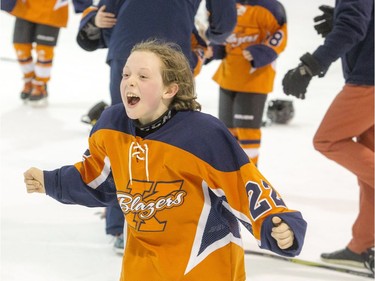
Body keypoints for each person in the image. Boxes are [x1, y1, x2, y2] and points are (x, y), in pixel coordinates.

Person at [24, 39, 307, 281]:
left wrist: (276, 221)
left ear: (170, 90)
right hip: (141, 267)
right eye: (126, 74)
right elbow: (96, 178)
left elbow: (244, 186)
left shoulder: (202, 135)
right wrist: (53, 182)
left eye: (143, 76)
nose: (130, 81)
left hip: (203, 268)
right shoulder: (112, 125)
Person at [76, 0, 235, 253]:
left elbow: (101, 19)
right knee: (172, 134)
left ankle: (122, 221)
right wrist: (212, 35)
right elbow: (224, 19)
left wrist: (93, 24)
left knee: (126, 135)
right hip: (172, 53)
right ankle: (159, 215)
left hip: (129, 49)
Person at [282, 0, 374, 271]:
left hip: (367, 79)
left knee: (328, 139)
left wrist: (308, 67)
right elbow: (357, 23)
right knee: (368, 170)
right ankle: (363, 245)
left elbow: (351, 28)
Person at [208, 0, 287, 166]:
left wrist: (262, 52)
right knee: (226, 132)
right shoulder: (226, 4)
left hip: (254, 79)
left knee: (247, 132)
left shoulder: (269, 7)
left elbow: (280, 35)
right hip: (228, 75)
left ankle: (250, 177)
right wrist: (214, 49)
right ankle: (229, 176)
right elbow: (219, 31)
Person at [2, 0, 91, 105]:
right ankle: (29, 79)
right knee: (20, 47)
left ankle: (40, 83)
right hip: (25, 6)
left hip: (52, 9)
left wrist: (85, 6)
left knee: (44, 51)